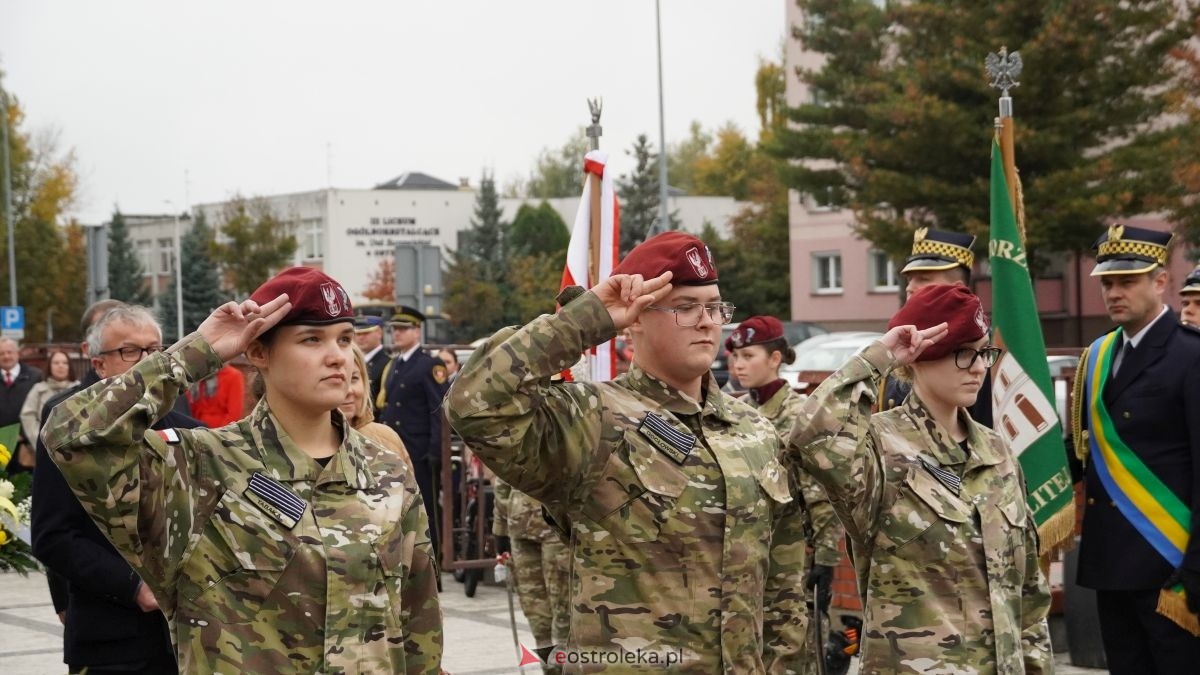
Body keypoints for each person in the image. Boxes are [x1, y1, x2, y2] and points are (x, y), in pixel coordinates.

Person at [42, 267, 443, 673]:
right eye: (311, 339)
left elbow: (417, 623)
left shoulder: (386, 472)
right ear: (258, 352)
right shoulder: (202, 467)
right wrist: (198, 352)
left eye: (344, 338)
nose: (336, 355)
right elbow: (70, 437)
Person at [447, 231, 808, 671]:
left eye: (714, 307)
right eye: (685, 307)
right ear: (634, 319)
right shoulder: (593, 418)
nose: (707, 321)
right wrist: (587, 319)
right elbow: (473, 404)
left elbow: (783, 580)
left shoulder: (753, 430)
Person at [787, 283, 1052, 673]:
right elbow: (809, 438)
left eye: (983, 354)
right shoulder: (878, 446)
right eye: (963, 354)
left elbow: (1028, 592)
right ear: (918, 360)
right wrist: (881, 357)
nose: (979, 367)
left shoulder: (997, 453)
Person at [32, 305, 200, 674]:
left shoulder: (193, 433)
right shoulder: (67, 434)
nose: (145, 362)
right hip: (111, 642)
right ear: (99, 365)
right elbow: (52, 536)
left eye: (155, 350)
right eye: (129, 351)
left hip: (191, 641)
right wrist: (132, 587)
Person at [1070, 225, 1200, 673]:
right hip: (1112, 564)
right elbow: (1079, 453)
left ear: (1160, 281)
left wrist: (1196, 570)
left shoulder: (1191, 355)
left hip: (1171, 568)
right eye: (1107, 283)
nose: (1114, 293)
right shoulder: (1098, 356)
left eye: (1128, 281)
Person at [726, 315, 846, 669]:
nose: (738, 364)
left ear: (775, 359)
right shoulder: (740, 413)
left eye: (748, 356)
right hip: (751, 560)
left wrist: (825, 562)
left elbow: (822, 495)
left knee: (800, 653)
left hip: (794, 562)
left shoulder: (799, 415)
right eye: (735, 356)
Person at [881, 227, 993, 428]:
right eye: (909, 279)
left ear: (956, 287)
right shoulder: (898, 340)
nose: (910, 287)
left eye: (924, 279)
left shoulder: (980, 351)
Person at [376, 305, 449, 557]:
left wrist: (435, 450)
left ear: (417, 332)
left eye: (403, 329)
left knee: (426, 508)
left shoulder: (429, 364)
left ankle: (434, 561)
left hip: (419, 451)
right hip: (397, 449)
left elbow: (437, 409)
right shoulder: (396, 364)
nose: (396, 334)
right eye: (395, 329)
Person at [492, 478, 571, 673]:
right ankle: (550, 669)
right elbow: (502, 475)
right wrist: (499, 531)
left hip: (558, 526)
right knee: (535, 611)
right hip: (520, 526)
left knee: (564, 608)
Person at [340, 344, 412, 469]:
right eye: (338, 380)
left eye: (354, 378)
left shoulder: (386, 438)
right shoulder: (303, 443)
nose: (349, 390)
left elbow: (409, 488)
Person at [0, 336, 44, 473]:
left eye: (9, 352)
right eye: (1, 353)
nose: (6, 356)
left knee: (25, 488)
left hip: (26, 447)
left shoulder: (36, 377)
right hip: (0, 447)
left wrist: (26, 435)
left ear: (17, 353)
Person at [19, 349, 78, 449]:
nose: (61, 365)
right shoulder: (38, 389)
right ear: (49, 366)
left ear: (69, 367)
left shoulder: (79, 388)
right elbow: (27, 415)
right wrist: (40, 440)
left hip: (74, 448)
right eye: (56, 363)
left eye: (65, 363)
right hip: (44, 447)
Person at [185, 363, 245, 428]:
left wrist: (220, 433)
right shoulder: (199, 376)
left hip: (219, 432)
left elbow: (234, 414)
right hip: (197, 429)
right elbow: (191, 408)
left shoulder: (233, 376)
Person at [354, 314, 390, 403]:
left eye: (366, 333)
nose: (360, 337)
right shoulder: (353, 361)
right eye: (357, 333)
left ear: (379, 333)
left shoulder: (387, 363)